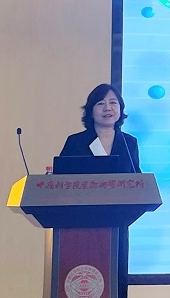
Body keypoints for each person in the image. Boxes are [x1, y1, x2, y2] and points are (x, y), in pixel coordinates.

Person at [60, 83, 140, 298]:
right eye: (101, 103)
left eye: (113, 103)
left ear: (120, 109)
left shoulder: (129, 142)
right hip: (80, 224)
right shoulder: (76, 142)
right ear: (91, 110)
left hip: (117, 222)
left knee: (115, 277)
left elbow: (136, 179)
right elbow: (62, 180)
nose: (108, 108)